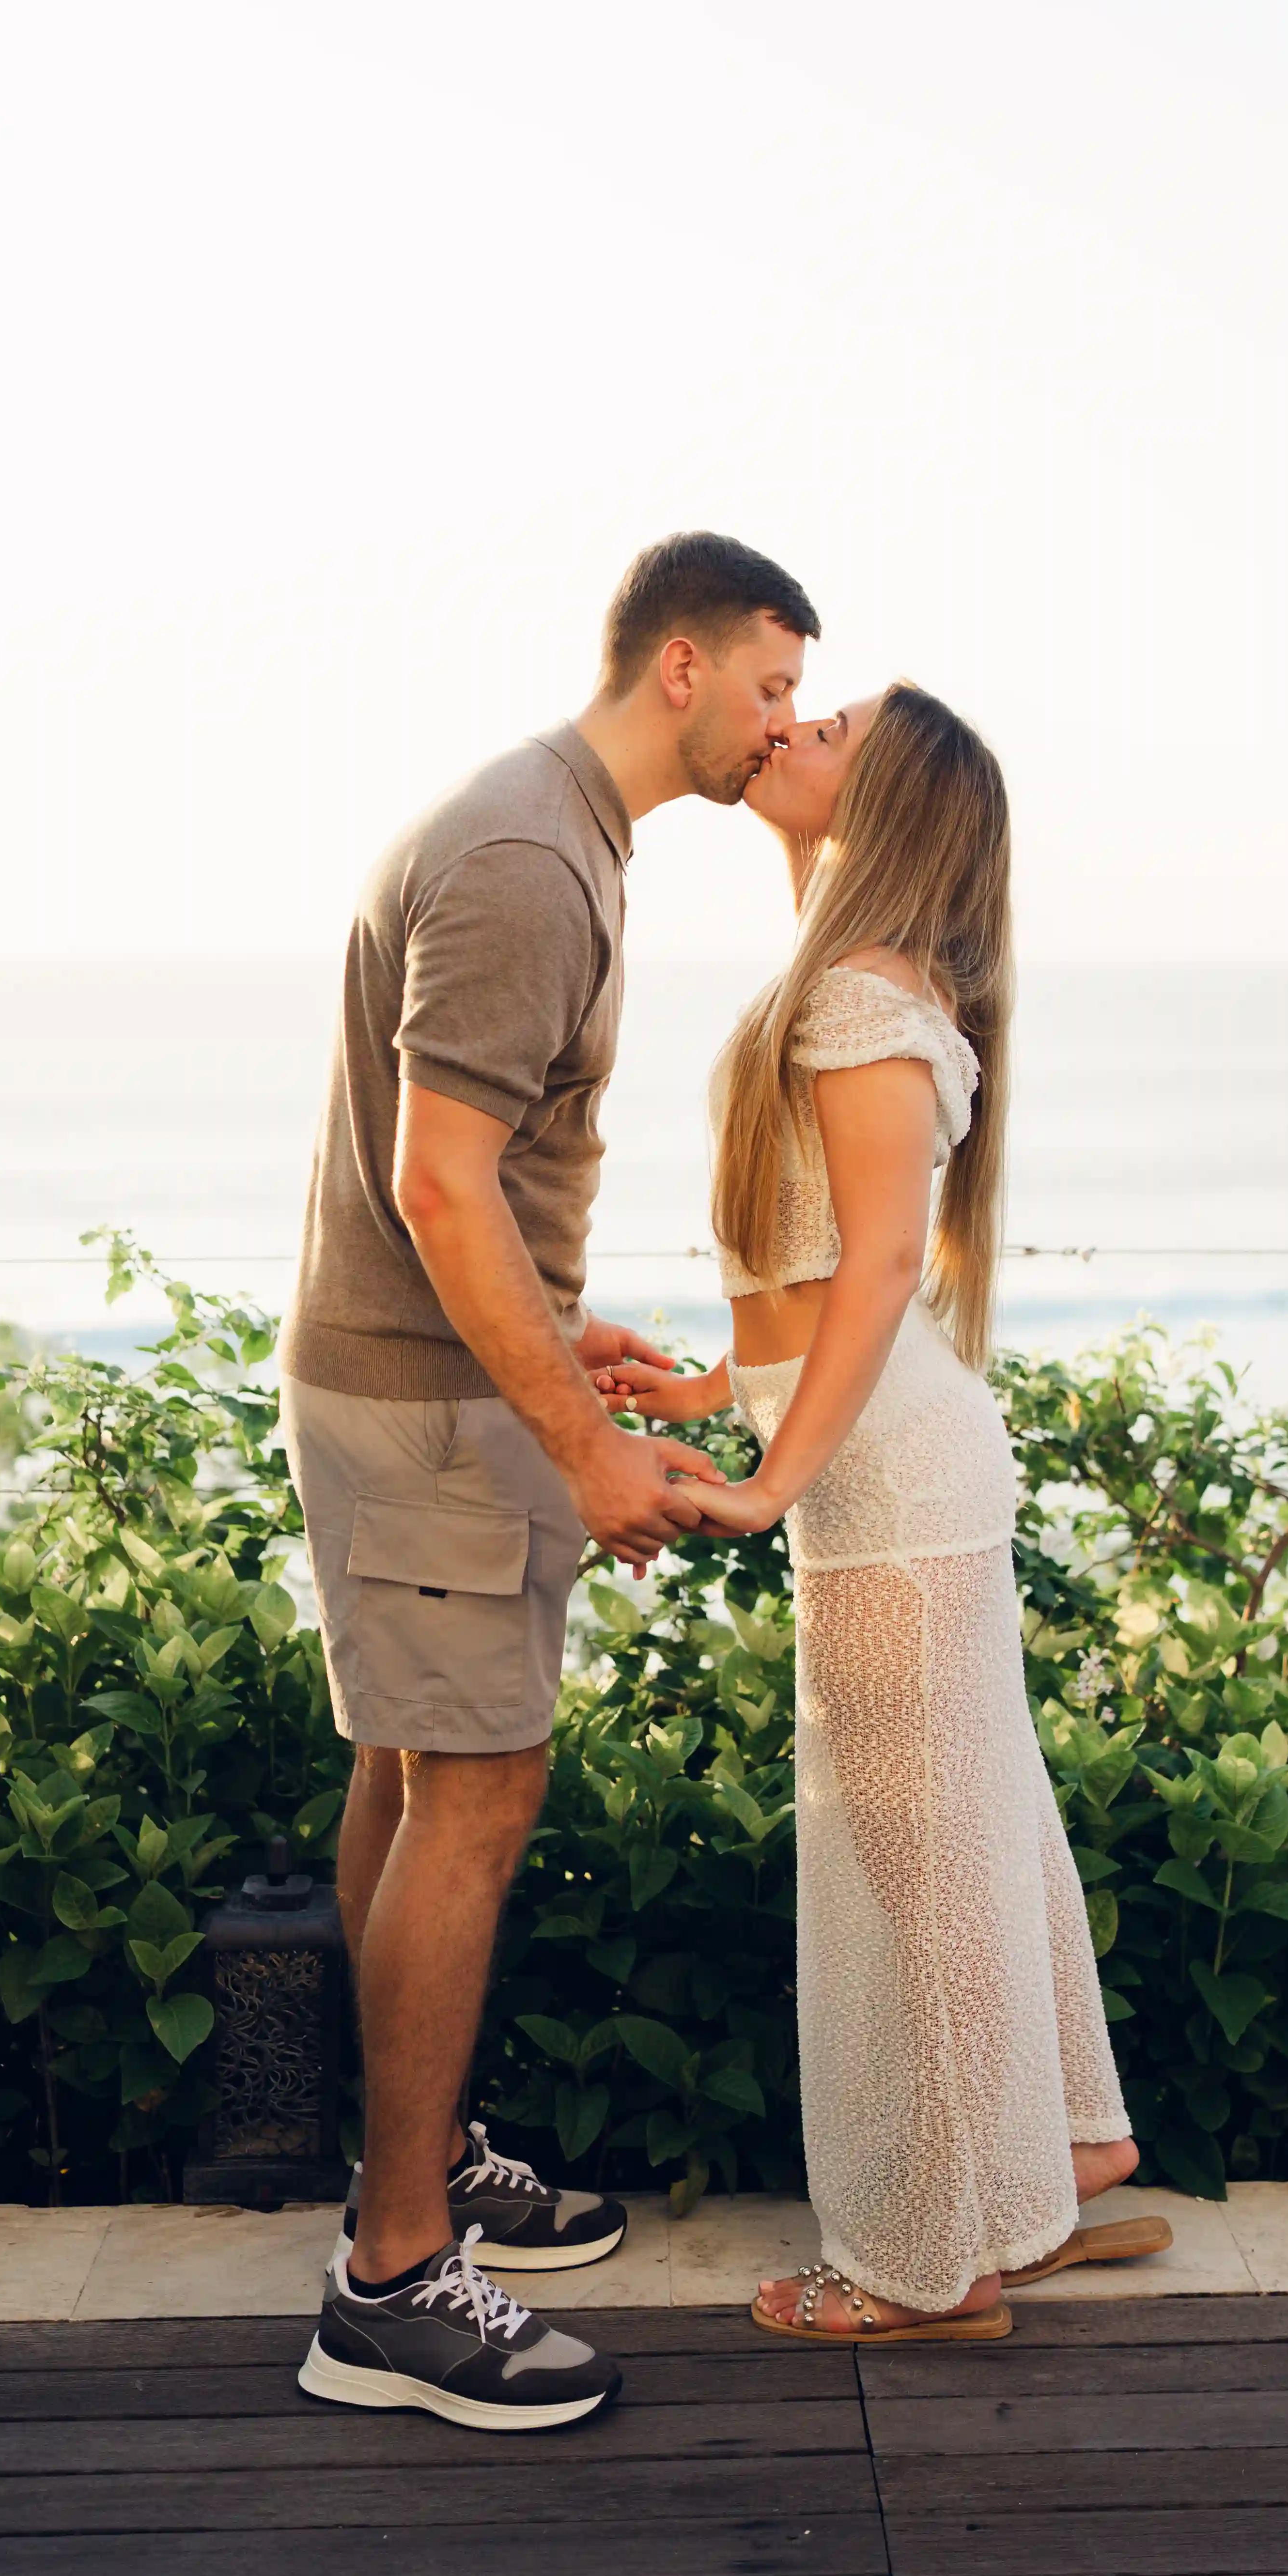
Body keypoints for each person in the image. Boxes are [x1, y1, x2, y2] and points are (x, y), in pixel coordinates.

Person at [283, 531, 818, 2424]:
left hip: (442, 1384)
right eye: (770, 684)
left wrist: (562, 1340)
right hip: (433, 1414)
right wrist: (582, 1444)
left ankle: (400, 2177)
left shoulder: (552, 828)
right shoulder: (530, 855)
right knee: (478, 1796)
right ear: (680, 663)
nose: (784, 722)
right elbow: (438, 1182)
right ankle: (394, 2284)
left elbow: (470, 1189)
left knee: (417, 1780)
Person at [599, 684, 1165, 2339]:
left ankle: (935, 2265)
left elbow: (879, 1266)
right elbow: (809, 1269)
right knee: (971, 1829)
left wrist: (773, 1474)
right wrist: (727, 1395)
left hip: (885, 1481)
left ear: (888, 804)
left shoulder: (854, 997)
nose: (790, 728)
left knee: (909, 1861)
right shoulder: (863, 980)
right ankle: (1056, 2156)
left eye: (826, 726)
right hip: (897, 1455)